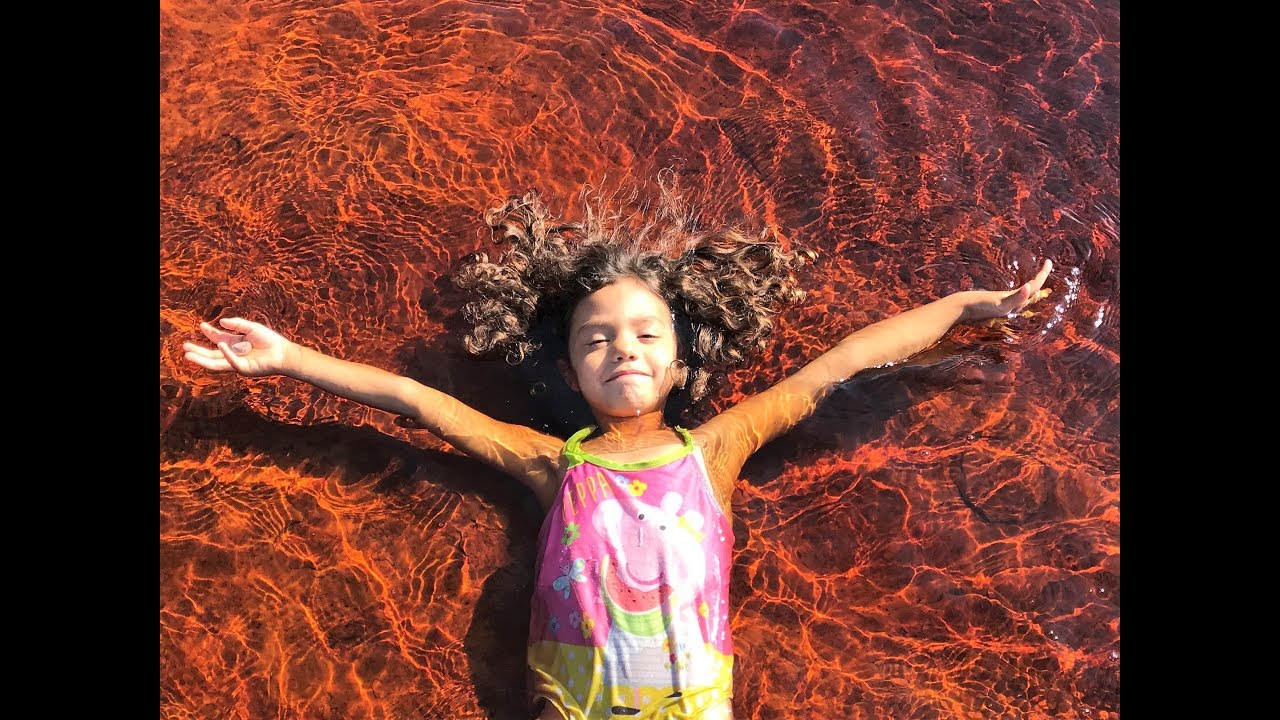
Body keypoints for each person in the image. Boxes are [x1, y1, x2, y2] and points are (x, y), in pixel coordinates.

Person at [183, 184, 1053, 720]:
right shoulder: (554, 464)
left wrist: (962, 308)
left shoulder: (717, 448)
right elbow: (419, 403)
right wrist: (288, 359)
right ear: (570, 370)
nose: (623, 349)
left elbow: (843, 365)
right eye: (597, 340)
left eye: (645, 334)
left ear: (680, 362)